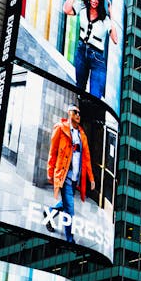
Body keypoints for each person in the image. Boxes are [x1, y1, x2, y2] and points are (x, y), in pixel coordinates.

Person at [46, 102, 95, 245]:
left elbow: (86, 158)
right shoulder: (60, 129)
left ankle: (49, 212)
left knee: (66, 203)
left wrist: (91, 179)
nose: (78, 115)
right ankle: (69, 238)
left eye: (79, 113)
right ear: (69, 113)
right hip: (65, 174)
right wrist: (50, 172)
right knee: (70, 208)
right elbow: (52, 152)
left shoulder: (82, 136)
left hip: (76, 178)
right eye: (75, 112)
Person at [63, 0, 119, 100]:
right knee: (79, 89)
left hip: (97, 58)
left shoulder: (105, 20)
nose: (93, 0)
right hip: (81, 52)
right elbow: (66, 9)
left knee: (95, 97)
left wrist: (112, 15)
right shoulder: (82, 7)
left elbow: (115, 39)